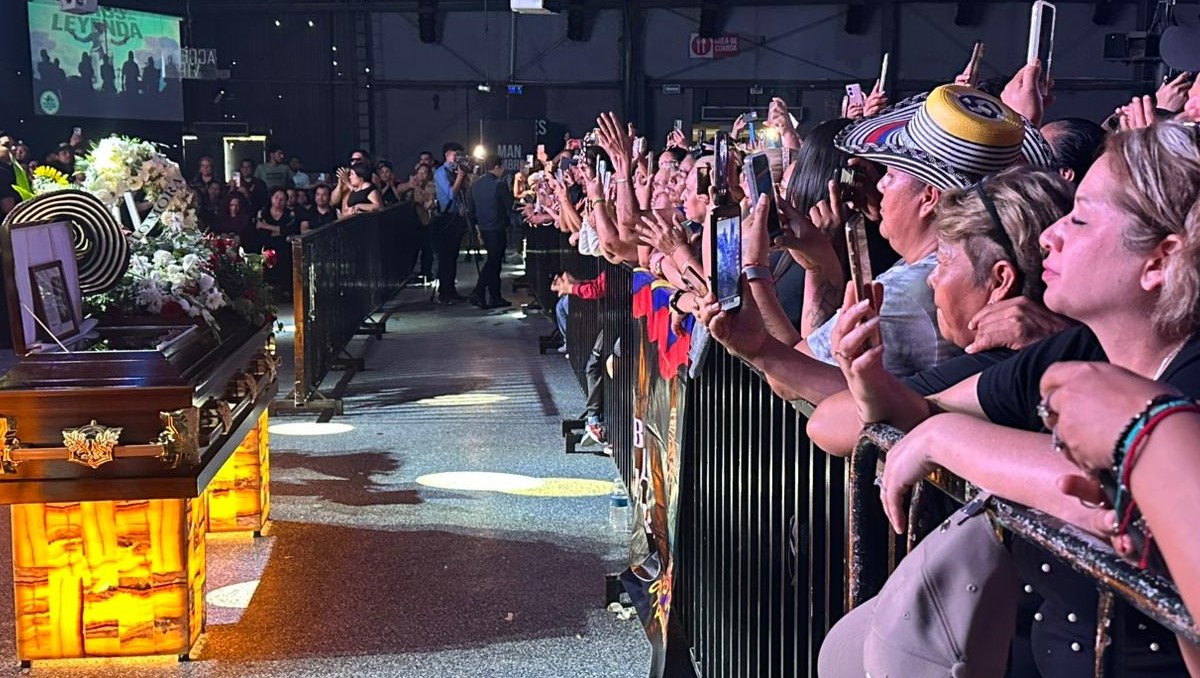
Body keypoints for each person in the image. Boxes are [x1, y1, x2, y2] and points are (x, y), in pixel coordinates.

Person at [832, 123, 1200, 677]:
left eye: (1080, 218)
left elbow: (1114, 498)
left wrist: (945, 439)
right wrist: (868, 376)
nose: (1051, 236)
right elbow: (922, 411)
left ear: (1159, 261)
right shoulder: (1079, 347)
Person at [807, 167, 1074, 456]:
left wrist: (867, 379)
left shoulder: (996, 362)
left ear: (999, 281)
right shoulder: (1053, 347)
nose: (932, 278)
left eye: (943, 261)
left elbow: (826, 424)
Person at [468, 155, 514, 308]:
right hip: (497, 227)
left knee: (493, 262)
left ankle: (494, 296)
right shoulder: (499, 185)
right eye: (502, 167)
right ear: (497, 167)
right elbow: (510, 205)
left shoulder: (475, 185)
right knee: (494, 262)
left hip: (484, 228)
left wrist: (476, 228)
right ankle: (479, 291)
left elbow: (471, 210)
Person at [432, 142, 470, 304]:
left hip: (458, 217)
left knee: (453, 256)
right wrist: (460, 177)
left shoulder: (455, 171)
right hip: (446, 217)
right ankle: (444, 292)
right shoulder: (441, 172)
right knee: (445, 257)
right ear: (447, 155)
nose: (458, 159)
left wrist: (464, 176)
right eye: (456, 155)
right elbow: (451, 194)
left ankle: (451, 290)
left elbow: (465, 191)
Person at [256, 187, 299, 291]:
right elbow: (260, 229)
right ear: (271, 198)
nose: (278, 201)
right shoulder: (263, 212)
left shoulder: (290, 214)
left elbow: (287, 230)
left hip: (284, 245)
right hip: (267, 244)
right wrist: (278, 230)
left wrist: (267, 226)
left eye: (282, 199)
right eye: (276, 197)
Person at [0, 132, 18, 218]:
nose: (13, 148)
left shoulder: (15, 169)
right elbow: (8, 208)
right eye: (6, 145)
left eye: (14, 145)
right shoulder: (2, 171)